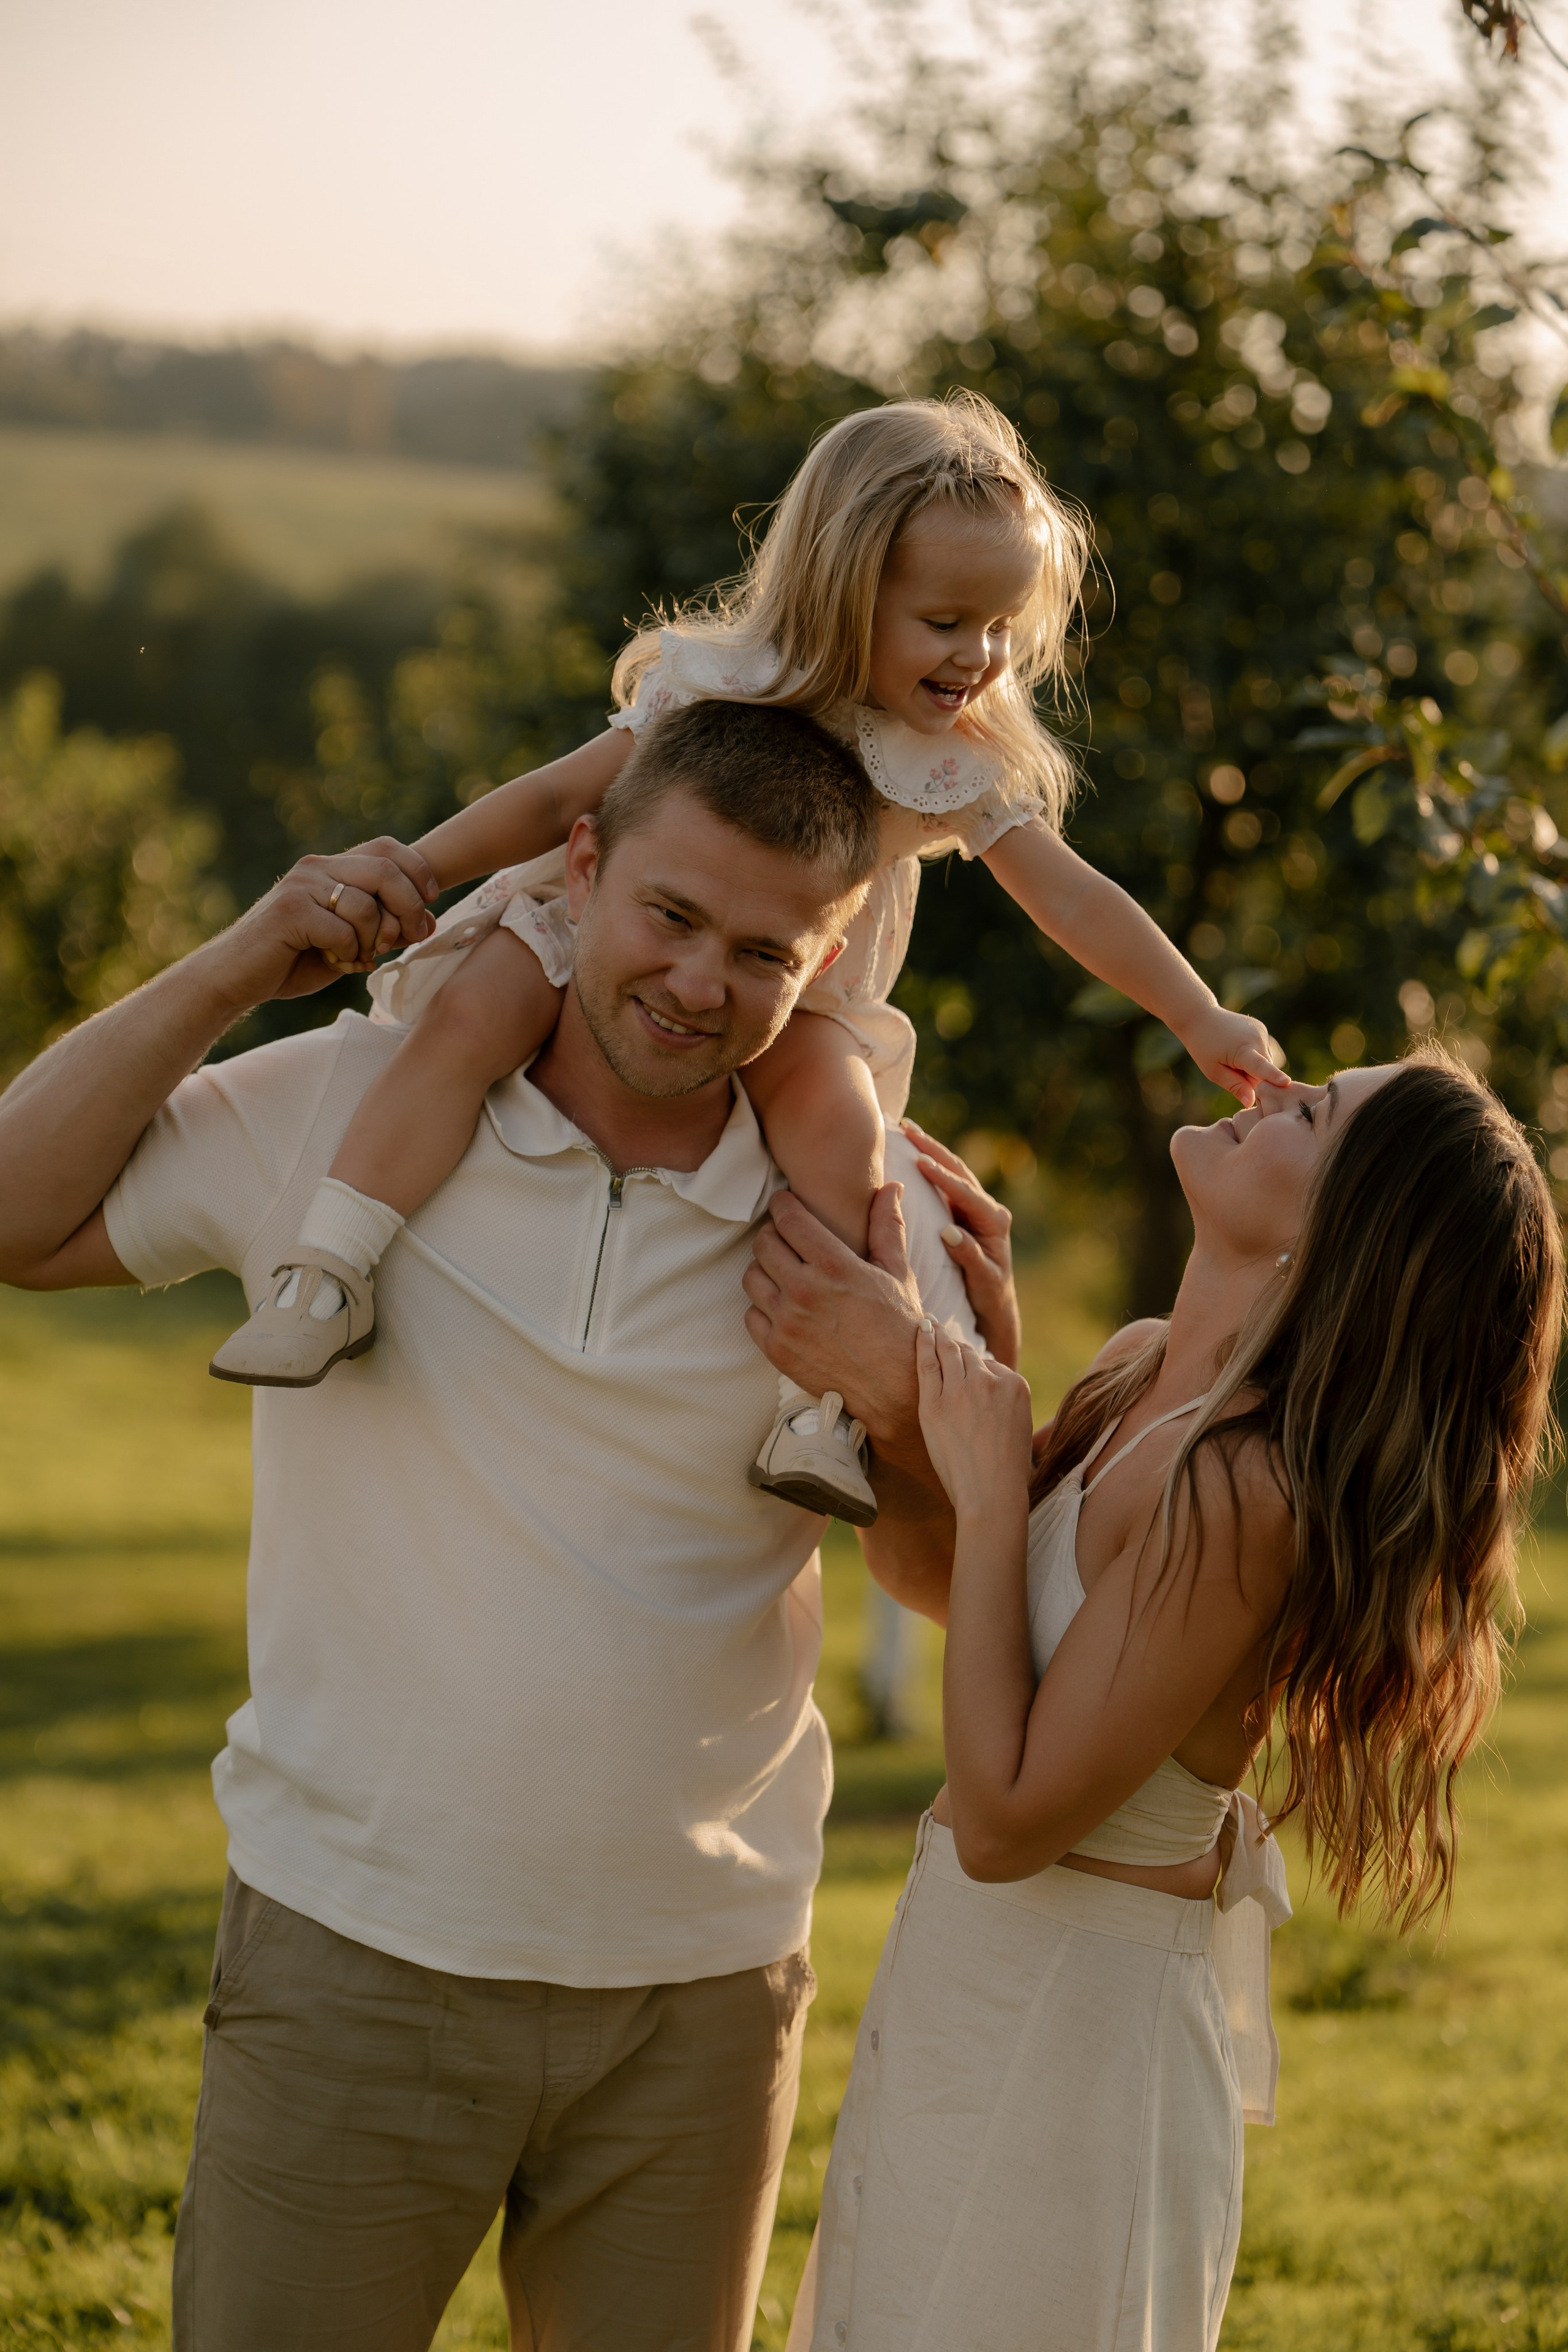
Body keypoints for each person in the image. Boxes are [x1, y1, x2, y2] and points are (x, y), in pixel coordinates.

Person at [0, 698, 987, 2352]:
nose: (697, 986)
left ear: (829, 960)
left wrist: (911, 1386)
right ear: (581, 865)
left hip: (700, 1994)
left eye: (763, 952)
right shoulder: (351, 1109)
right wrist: (246, 960)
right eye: (670, 917)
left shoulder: (861, 1215)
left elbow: (943, 1578)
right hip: (353, 1958)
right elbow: (16, 1219)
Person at [208, 391, 1287, 1530]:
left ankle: (818, 1403)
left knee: (840, 1130)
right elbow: (559, 797)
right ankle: (330, 1268)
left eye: (1000, 627)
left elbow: (1072, 897)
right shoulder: (713, 679)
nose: (978, 656)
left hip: (796, 986)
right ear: (842, 586)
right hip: (610, 930)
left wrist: (1197, 1013)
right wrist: (414, 877)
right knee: (473, 1016)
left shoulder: (945, 761)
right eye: (944, 621)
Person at [780, 1046, 1563, 2352]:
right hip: (963, 2000)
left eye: (1307, 1113)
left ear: (1333, 1239)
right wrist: (967, 1375)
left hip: (1070, 2058)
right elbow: (939, 1582)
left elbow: (1007, 1818)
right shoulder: (1143, 1371)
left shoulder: (1245, 1491)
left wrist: (987, 1475)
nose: (1262, 1089)